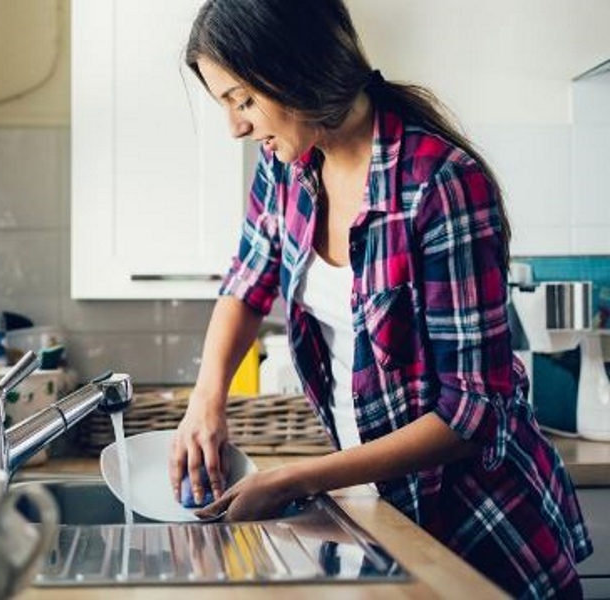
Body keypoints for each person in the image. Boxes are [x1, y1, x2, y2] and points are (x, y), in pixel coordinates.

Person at [167, 1, 592, 597]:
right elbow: (247, 281)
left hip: (486, 530)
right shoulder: (286, 164)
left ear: (297, 70)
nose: (235, 126)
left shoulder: (440, 184)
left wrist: (299, 479)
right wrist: (204, 402)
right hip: (380, 512)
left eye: (241, 100)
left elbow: (471, 414)